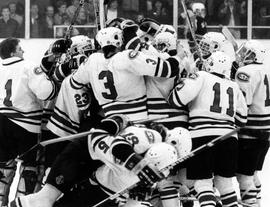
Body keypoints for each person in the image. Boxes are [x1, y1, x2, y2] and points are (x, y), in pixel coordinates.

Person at [168, 51, 247, 207]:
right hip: (229, 138)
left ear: (211, 64)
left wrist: (184, 81)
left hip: (202, 135)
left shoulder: (202, 76)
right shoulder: (234, 85)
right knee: (225, 185)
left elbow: (175, 100)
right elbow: (242, 120)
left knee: (202, 185)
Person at [70, 26, 181, 122]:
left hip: (111, 121)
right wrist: (178, 56)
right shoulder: (127, 57)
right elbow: (168, 70)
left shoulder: (92, 61)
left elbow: (74, 82)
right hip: (137, 119)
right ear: (118, 40)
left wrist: (83, 104)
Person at [0, 38, 57, 206]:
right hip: (25, 126)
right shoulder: (28, 66)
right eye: (20, 48)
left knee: (3, 167)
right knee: (30, 168)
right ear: (13, 52)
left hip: (1, 123)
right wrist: (50, 79)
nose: (23, 51)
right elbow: (47, 93)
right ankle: (21, 203)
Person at [234, 40, 269, 207]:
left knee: (243, 176)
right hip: (265, 132)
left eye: (247, 52)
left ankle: (252, 204)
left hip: (250, 131)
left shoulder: (245, 71)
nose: (242, 55)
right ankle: (258, 203)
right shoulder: (266, 70)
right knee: (253, 173)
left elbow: (242, 104)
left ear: (255, 55)